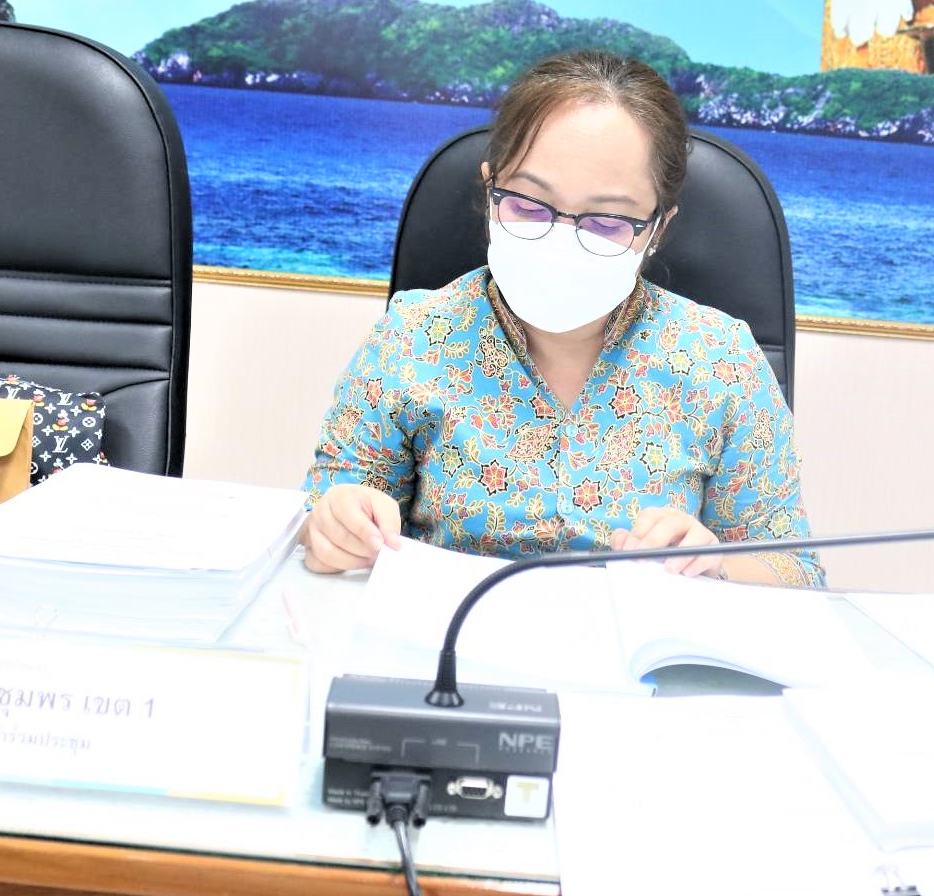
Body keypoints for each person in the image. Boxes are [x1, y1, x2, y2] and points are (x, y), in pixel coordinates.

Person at [302, 50, 824, 587]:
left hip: (638, 641)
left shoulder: (722, 361)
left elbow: (798, 571)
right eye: (528, 206)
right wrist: (334, 528)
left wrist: (717, 566)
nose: (560, 241)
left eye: (608, 222)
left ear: (658, 228)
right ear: (490, 188)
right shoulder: (413, 335)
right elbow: (321, 519)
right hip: (448, 635)